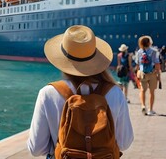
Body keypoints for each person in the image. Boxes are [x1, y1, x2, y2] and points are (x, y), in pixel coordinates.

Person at [27, 25, 134, 157]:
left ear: (62, 59)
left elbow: (36, 149)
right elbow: (125, 142)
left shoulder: (48, 93)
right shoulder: (115, 93)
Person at [135, 36, 161, 116]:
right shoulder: (153, 51)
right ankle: (150, 109)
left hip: (143, 73)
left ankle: (143, 105)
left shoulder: (139, 52)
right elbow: (157, 63)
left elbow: (137, 64)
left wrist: (137, 74)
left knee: (142, 90)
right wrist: (158, 74)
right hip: (152, 73)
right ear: (149, 42)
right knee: (151, 92)